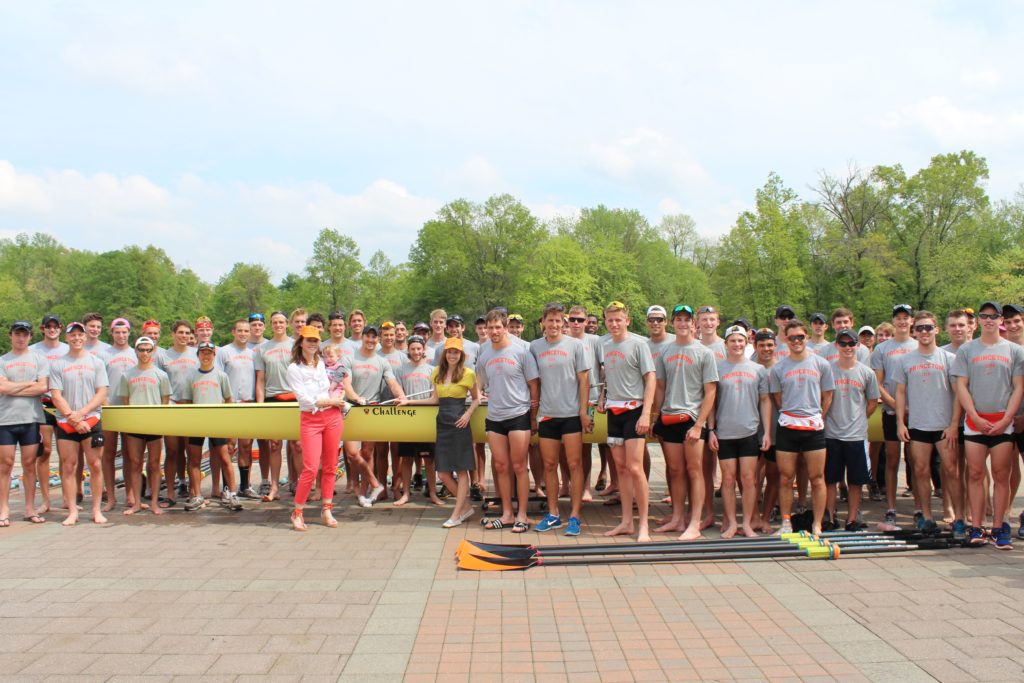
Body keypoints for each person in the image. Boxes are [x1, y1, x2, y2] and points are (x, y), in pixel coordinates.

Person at [952, 301, 1024, 548]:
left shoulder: (1014, 351)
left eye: (994, 316)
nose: (989, 320)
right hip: (975, 421)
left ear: (1001, 319)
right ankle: (977, 526)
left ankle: (999, 526)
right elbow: (961, 385)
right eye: (985, 316)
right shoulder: (967, 350)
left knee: (1002, 475)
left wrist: (1006, 419)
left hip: (1002, 422)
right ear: (979, 320)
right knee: (974, 474)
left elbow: (1018, 388)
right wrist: (973, 415)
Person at [893, 311, 962, 537]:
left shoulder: (949, 359)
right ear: (914, 331)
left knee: (952, 470)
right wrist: (900, 423)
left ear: (936, 330)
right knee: (920, 470)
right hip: (918, 424)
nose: (924, 332)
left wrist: (954, 423)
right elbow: (900, 393)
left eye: (928, 328)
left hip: (943, 425)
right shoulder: (905, 360)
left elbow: (958, 393)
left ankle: (959, 517)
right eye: (920, 328)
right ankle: (926, 516)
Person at [652, 304, 718, 540]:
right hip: (669, 417)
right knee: (676, 470)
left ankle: (695, 522)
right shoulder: (665, 352)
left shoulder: (704, 353)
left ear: (694, 324)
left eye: (686, 320)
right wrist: (655, 416)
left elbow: (710, 392)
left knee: (695, 471)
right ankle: (678, 518)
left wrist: (700, 424)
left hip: (692, 419)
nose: (682, 323)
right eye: (678, 319)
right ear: (673, 323)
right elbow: (660, 387)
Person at [769, 319, 835, 536]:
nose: (796, 341)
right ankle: (786, 522)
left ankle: (817, 523)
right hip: (788, 426)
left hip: (813, 428)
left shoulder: (821, 364)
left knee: (817, 478)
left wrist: (817, 416)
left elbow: (828, 395)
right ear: (785, 340)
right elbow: (778, 398)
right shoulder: (778, 368)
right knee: (786, 477)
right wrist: (792, 414)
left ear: (806, 337)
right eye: (791, 338)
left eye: (800, 337)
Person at [530, 303, 591, 536]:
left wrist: (583, 412)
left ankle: (575, 516)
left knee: (575, 465)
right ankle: (553, 514)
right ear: (543, 322)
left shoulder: (575, 345)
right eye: (550, 320)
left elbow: (584, 381)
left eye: (558, 321)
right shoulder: (535, 347)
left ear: (563, 323)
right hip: (547, 415)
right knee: (549, 465)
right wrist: (533, 415)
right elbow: (533, 383)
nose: (554, 325)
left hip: (571, 415)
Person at [477, 309, 540, 532]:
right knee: (501, 466)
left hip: (518, 415)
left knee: (519, 466)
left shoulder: (521, 351)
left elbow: (534, 386)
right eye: (490, 328)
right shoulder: (484, 355)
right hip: (494, 417)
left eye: (497, 327)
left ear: (505, 328)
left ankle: (522, 514)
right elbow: (479, 384)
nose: (494, 332)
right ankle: (507, 514)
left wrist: (533, 418)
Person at [599, 301, 656, 542]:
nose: (614, 324)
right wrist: (603, 396)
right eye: (610, 320)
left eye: (618, 319)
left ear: (627, 320)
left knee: (635, 468)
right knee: (621, 469)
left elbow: (651, 378)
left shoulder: (639, 344)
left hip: (634, 410)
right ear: (605, 321)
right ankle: (626, 522)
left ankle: (643, 524)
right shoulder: (604, 344)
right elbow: (608, 376)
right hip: (614, 411)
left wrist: (646, 413)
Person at [410, 336, 481, 528]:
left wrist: (467, 415)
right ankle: (465, 506)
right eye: (449, 351)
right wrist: (409, 401)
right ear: (444, 354)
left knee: (462, 469)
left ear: (461, 354)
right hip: (442, 424)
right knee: (442, 473)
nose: (452, 355)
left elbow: (476, 399)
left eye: (456, 352)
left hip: (460, 424)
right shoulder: (437, 373)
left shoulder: (468, 374)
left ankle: (457, 513)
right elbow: (434, 400)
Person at [708, 325, 771, 538]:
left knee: (749, 479)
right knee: (727, 480)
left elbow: (765, 401)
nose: (737, 345)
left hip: (749, 431)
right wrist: (711, 430)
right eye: (732, 341)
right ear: (725, 344)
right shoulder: (717, 368)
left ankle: (747, 523)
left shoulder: (758, 370)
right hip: (725, 432)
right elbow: (711, 402)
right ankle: (732, 522)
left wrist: (767, 432)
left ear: (747, 343)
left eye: (740, 341)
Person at [286, 326, 347, 531]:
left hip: (332, 416)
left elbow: (332, 385)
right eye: (309, 340)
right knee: (311, 468)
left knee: (331, 466)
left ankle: (327, 509)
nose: (312, 343)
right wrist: (330, 400)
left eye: (315, 340)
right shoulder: (294, 368)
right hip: (311, 418)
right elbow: (303, 397)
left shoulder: (321, 363)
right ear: (301, 342)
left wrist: (338, 398)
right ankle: (297, 511)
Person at [50, 321, 109, 526]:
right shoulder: (58, 363)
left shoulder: (96, 362)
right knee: (68, 466)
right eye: (72, 335)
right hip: (66, 421)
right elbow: (56, 395)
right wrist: (73, 418)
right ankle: (72, 510)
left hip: (91, 419)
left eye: (80, 335)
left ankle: (96, 509)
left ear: (85, 337)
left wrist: (83, 414)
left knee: (95, 465)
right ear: (67, 338)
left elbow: (102, 392)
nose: (76, 338)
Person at [344, 324, 408, 506]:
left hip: (371, 410)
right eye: (368, 337)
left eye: (374, 337)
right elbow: (346, 385)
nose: (371, 340)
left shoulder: (382, 361)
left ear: (377, 339)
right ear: (362, 337)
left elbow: (392, 383)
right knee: (351, 453)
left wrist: (401, 396)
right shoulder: (349, 358)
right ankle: (374, 482)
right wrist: (356, 397)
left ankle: (364, 493)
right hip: (351, 410)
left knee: (367, 452)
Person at [824, 329, 880, 531]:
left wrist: (859, 419)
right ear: (837, 345)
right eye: (843, 343)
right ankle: (830, 516)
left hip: (856, 435)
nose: (847, 347)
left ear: (858, 346)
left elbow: (873, 401)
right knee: (830, 478)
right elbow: (823, 399)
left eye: (851, 343)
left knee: (856, 480)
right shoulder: (827, 369)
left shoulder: (866, 372)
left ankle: (852, 518)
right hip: (831, 433)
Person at [871, 304, 918, 531]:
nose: (901, 321)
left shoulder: (919, 345)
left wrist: (911, 407)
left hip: (917, 413)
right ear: (893, 321)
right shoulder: (882, 349)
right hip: (891, 411)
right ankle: (891, 508)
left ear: (912, 321)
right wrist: (896, 405)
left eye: (905, 318)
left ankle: (919, 508)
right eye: (898, 318)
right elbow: (878, 383)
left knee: (917, 461)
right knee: (891, 459)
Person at [180, 342, 240, 512]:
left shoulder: (221, 376)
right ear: (198, 355)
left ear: (214, 355)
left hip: (217, 422)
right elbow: (187, 402)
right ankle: (197, 495)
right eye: (203, 353)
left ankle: (232, 493)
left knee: (225, 458)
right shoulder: (191, 376)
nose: (206, 356)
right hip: (196, 423)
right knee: (193, 460)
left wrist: (231, 430)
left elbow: (229, 400)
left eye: (209, 353)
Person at [0, 321, 48, 526]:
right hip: (5, 420)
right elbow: (3, 388)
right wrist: (29, 383)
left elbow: (42, 387)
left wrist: (15, 387)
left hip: (31, 419)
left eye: (25, 334)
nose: (21, 338)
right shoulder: (2, 360)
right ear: (11, 335)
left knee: (29, 465)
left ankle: (29, 508)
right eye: (17, 334)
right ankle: (4, 508)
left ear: (30, 336)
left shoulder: (39, 359)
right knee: (5, 465)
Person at [116, 336, 171, 515]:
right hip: (135, 427)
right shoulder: (127, 375)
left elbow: (165, 403)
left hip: (154, 425)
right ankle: (137, 502)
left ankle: (154, 501)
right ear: (136, 351)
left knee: (155, 464)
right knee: (135, 463)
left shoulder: (161, 375)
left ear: (153, 351)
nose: (145, 353)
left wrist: (161, 424)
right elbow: (126, 403)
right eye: (141, 350)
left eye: (148, 350)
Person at [395, 335, 444, 506]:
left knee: (429, 460)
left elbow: (434, 398)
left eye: (419, 348)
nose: (416, 352)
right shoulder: (400, 370)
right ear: (408, 350)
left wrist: (411, 402)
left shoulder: (432, 370)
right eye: (413, 348)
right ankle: (406, 493)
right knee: (407, 458)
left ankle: (432, 492)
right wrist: (406, 402)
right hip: (407, 419)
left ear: (424, 350)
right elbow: (399, 394)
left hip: (426, 419)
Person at [157, 320, 199, 507]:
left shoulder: (197, 354)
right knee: (173, 450)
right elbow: (157, 381)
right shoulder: (164, 356)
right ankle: (172, 492)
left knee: (192, 452)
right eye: (180, 332)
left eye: (187, 333)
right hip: (172, 405)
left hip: (192, 406)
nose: (183, 336)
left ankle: (193, 491)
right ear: (173, 334)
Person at [30, 314, 68, 513]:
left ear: (61, 328)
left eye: (55, 326)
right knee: (44, 452)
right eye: (48, 326)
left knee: (67, 454)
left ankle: (67, 497)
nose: (52, 330)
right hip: (43, 405)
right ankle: (45, 499)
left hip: (63, 404)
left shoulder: (68, 348)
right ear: (42, 328)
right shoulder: (33, 350)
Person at [568, 304, 607, 500]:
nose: (576, 323)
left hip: (590, 399)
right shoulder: (562, 341)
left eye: (580, 320)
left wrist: (602, 396)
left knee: (586, 446)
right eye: (572, 319)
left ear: (586, 322)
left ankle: (585, 488)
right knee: (566, 447)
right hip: (566, 401)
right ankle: (567, 485)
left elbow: (606, 369)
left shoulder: (596, 341)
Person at [254, 311, 294, 502]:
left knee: (298, 445)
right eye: (275, 322)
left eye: (281, 322)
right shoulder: (263, 348)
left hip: (294, 397)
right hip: (273, 398)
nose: (278, 325)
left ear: (287, 323)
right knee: (275, 445)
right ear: (270, 325)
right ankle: (275, 487)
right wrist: (260, 406)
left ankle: (301, 484)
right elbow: (260, 380)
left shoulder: (296, 344)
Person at [218, 319, 259, 498]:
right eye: (240, 331)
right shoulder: (223, 352)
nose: (243, 334)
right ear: (233, 332)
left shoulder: (254, 353)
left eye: (246, 331)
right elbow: (218, 378)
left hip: (248, 403)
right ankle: (227, 487)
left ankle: (245, 485)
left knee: (246, 446)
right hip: (230, 404)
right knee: (229, 445)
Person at [100, 318, 136, 511]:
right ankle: (111, 496)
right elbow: (99, 383)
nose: (121, 336)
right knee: (109, 453)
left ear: (129, 333)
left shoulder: (136, 353)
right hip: (109, 407)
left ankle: (131, 493)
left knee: (131, 454)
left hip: (129, 410)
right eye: (117, 332)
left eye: (124, 332)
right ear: (112, 333)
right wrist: (105, 404)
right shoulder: (103, 355)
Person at [752, 329, 781, 529]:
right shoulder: (750, 368)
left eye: (770, 345)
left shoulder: (782, 369)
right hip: (753, 430)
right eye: (762, 345)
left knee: (774, 475)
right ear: (755, 346)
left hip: (778, 431)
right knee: (751, 477)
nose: (766, 349)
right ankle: (753, 515)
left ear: (775, 346)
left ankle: (766, 516)